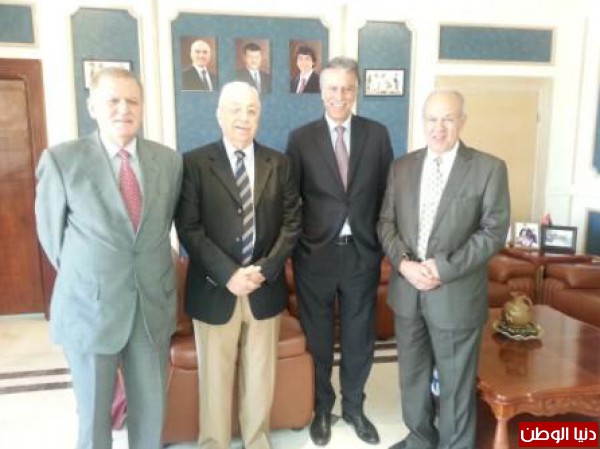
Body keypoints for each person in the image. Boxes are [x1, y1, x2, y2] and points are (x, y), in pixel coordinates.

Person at [35, 67, 183, 449]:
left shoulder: (169, 162)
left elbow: (163, 225)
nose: (123, 109)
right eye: (113, 100)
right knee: (94, 418)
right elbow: (52, 240)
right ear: (92, 106)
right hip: (90, 309)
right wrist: (93, 276)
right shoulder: (62, 160)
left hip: (150, 307)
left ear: (143, 107)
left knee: (151, 413)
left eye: (132, 101)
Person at [377, 89, 510, 449]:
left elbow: (493, 232)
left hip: (455, 295)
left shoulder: (488, 168)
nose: (439, 127)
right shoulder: (402, 167)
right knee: (412, 378)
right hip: (408, 294)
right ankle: (420, 439)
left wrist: (443, 268)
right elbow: (386, 223)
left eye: (448, 119)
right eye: (432, 119)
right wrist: (404, 264)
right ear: (423, 122)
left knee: (455, 385)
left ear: (462, 122)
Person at [175, 81, 300, 449]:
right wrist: (228, 274)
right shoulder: (194, 163)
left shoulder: (279, 163)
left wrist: (264, 269)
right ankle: (213, 443)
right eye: (235, 109)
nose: (243, 117)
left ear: (259, 116)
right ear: (219, 115)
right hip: (215, 288)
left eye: (251, 110)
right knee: (214, 378)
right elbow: (189, 228)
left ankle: (256, 441)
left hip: (264, 286)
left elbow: (292, 224)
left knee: (260, 376)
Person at [286, 56, 393, 446]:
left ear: (356, 90)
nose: (339, 95)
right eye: (332, 88)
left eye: (347, 88)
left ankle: (354, 408)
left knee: (358, 337)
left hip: (361, 253)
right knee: (317, 338)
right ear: (321, 91)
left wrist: (380, 243)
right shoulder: (301, 138)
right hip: (316, 255)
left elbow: (387, 195)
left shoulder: (377, 135)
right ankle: (321, 408)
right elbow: (291, 199)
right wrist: (300, 244)